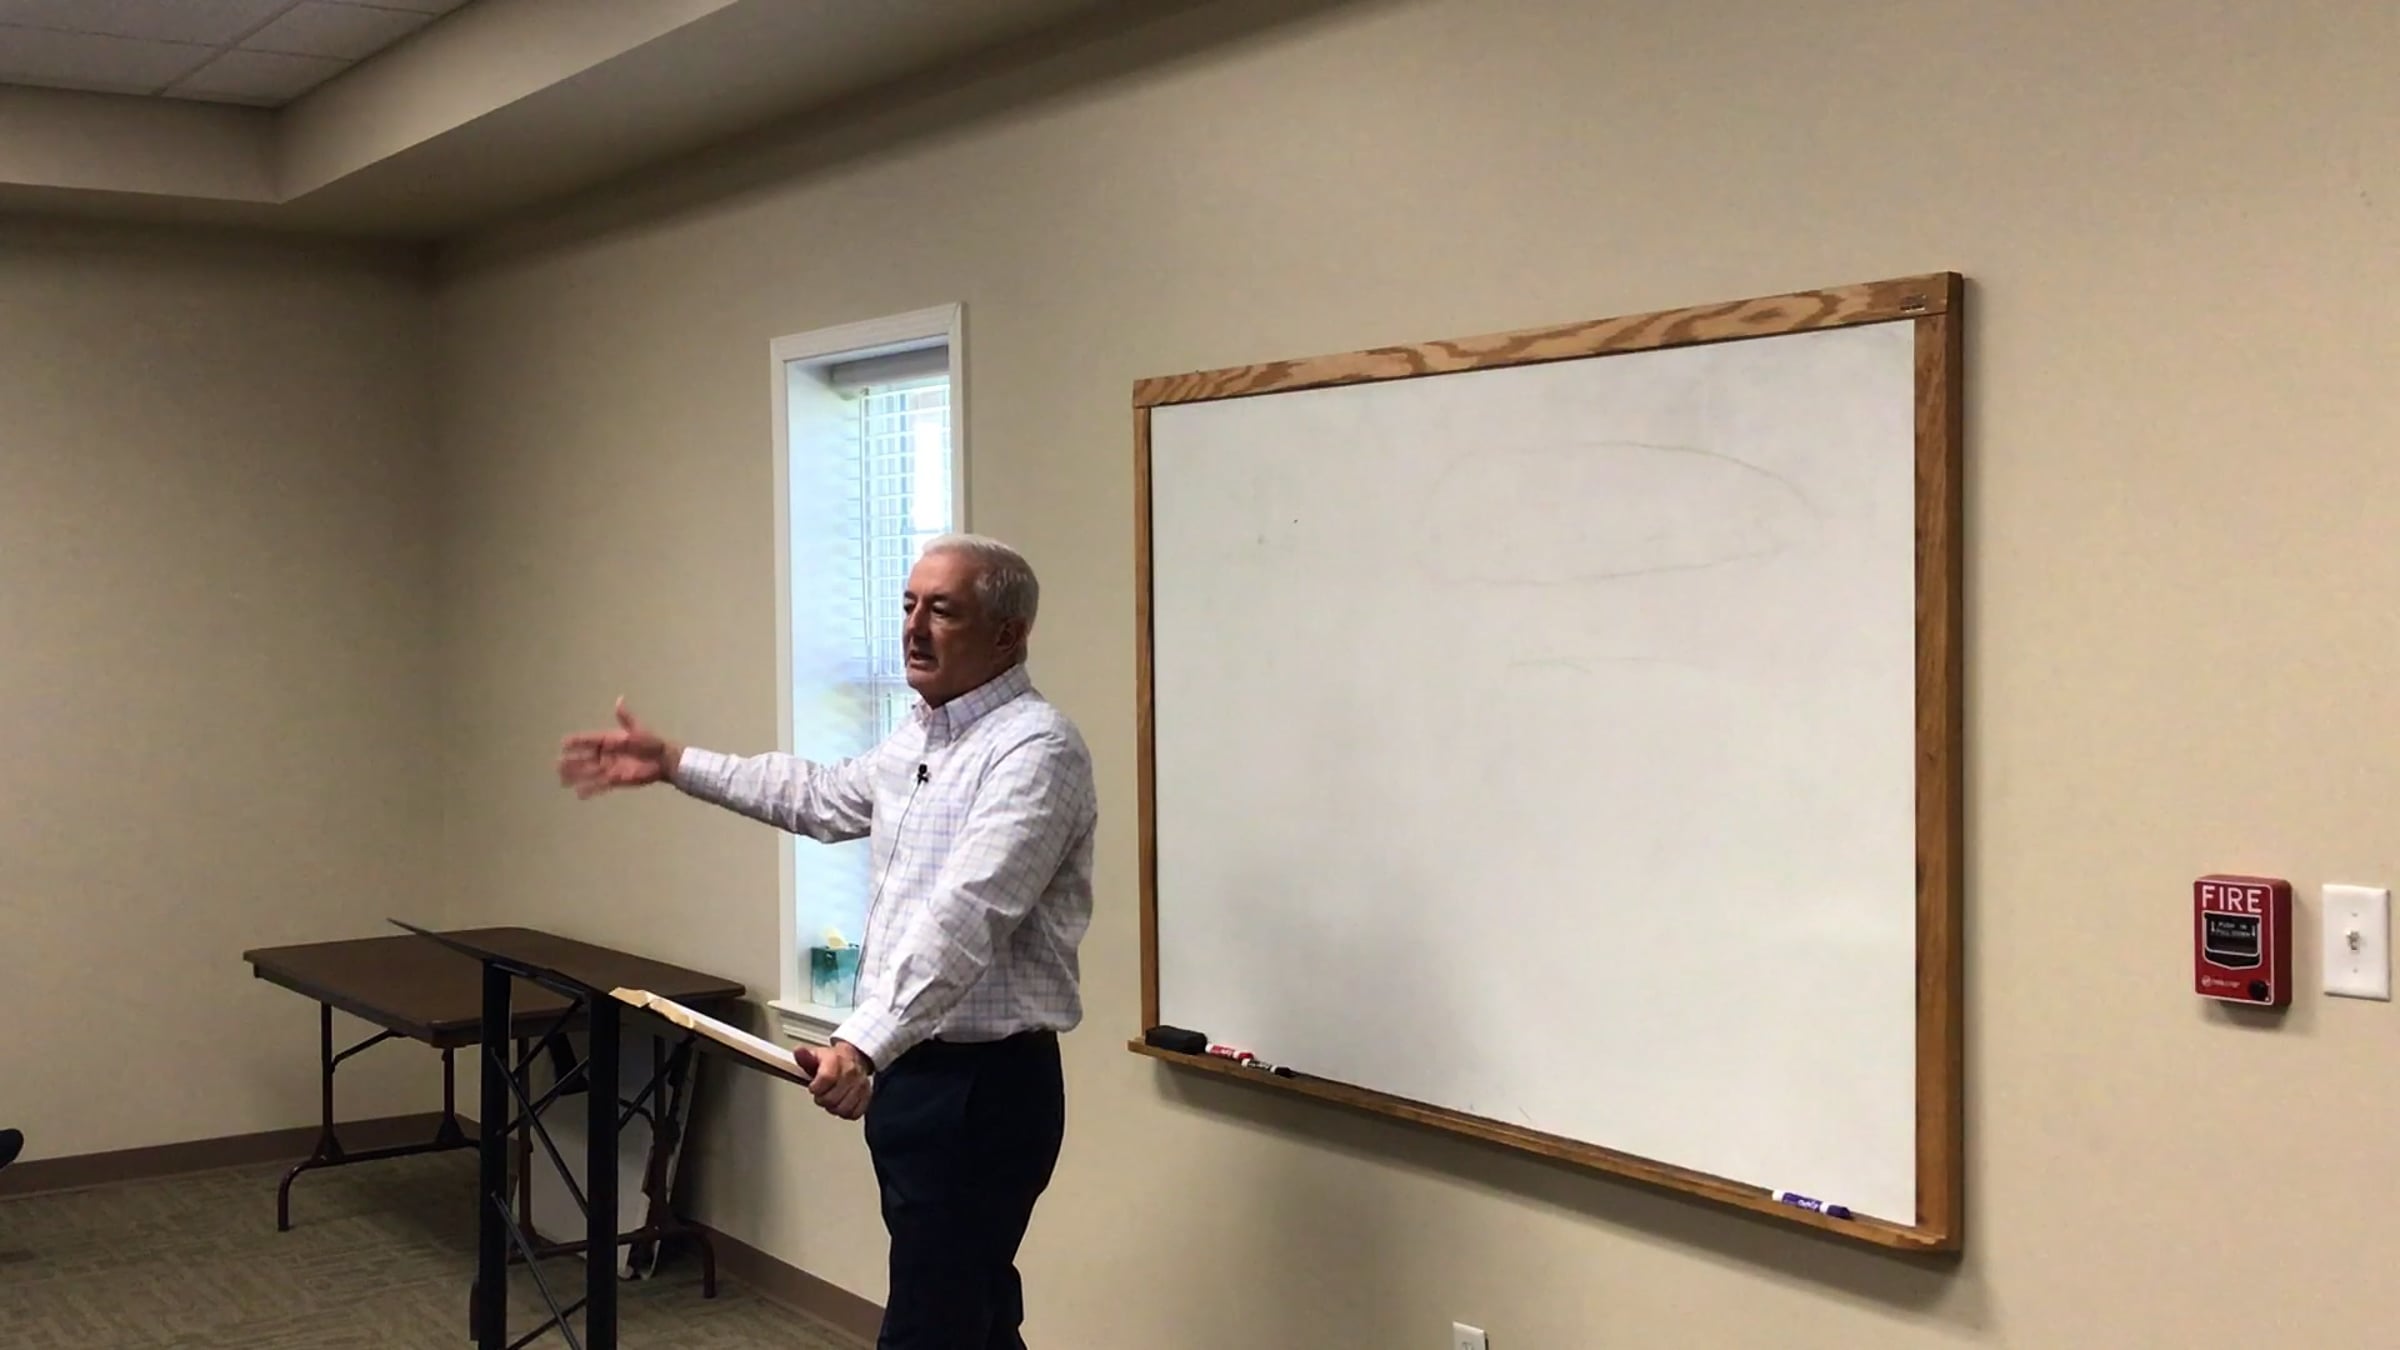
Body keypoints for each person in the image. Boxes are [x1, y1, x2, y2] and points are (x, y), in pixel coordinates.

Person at [556, 532, 1097, 1350]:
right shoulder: (923, 737)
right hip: (918, 1078)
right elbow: (816, 796)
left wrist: (862, 1043)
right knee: (973, 1309)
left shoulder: (1036, 750)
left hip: (982, 1089)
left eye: (942, 610)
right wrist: (673, 762)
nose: (913, 628)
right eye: (909, 605)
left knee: (931, 1323)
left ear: (1007, 634)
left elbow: (968, 916)